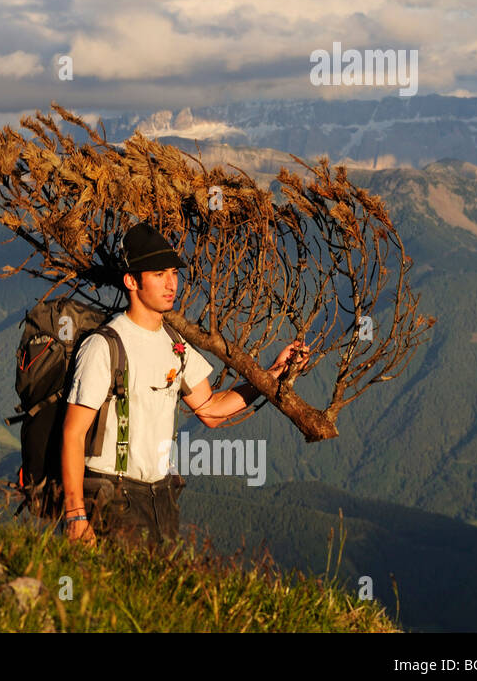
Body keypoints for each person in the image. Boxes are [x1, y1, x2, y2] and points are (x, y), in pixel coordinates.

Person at [60, 222, 309, 549]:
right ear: (132, 281)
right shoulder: (104, 346)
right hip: (111, 494)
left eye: (173, 274)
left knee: (158, 595)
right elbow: (73, 433)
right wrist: (76, 514)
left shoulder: (176, 344)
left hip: (162, 496)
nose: (171, 283)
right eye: (159, 274)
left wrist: (273, 372)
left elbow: (212, 411)